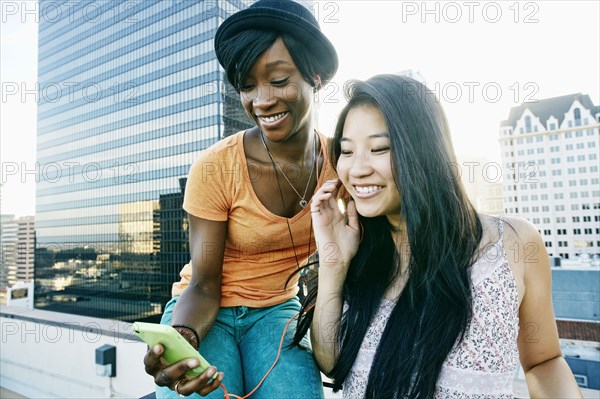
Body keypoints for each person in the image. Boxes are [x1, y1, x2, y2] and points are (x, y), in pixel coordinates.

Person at [294, 74, 583, 398]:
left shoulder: (514, 242)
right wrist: (333, 263)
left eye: (379, 148)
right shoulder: (359, 254)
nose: (357, 168)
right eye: (346, 151)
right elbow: (331, 362)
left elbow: (544, 361)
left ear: (425, 149)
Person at [143, 1, 338, 398]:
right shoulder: (216, 167)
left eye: (279, 79)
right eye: (248, 86)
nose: (261, 100)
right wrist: (181, 338)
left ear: (314, 77)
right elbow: (203, 283)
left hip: (277, 311)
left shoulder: (342, 164)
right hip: (206, 312)